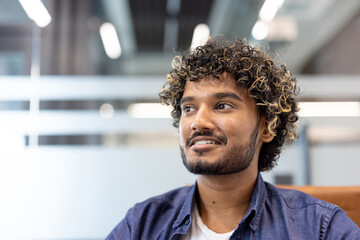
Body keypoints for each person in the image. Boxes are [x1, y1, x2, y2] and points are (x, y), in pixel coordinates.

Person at [107, 37, 360, 239]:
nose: (198, 122)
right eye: (189, 108)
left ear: (266, 126)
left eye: (223, 106)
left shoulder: (319, 228)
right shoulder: (142, 225)